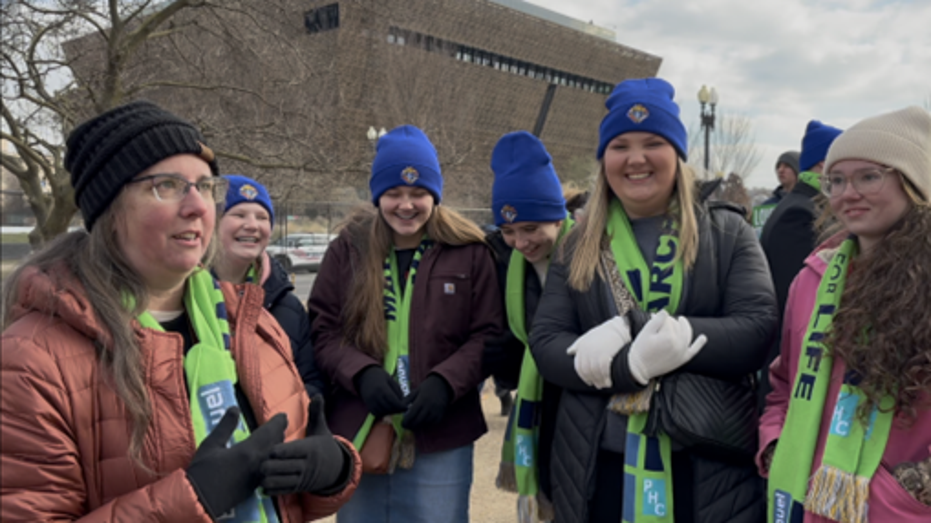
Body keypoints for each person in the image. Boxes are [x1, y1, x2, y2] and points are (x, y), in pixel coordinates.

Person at [0, 100, 360, 522]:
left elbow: (292, 499)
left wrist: (334, 469)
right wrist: (191, 500)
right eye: (167, 185)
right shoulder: (31, 360)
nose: (198, 206)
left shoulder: (250, 322)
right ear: (110, 210)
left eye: (206, 186)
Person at [529, 78, 777, 523]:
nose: (636, 158)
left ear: (677, 155)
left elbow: (756, 330)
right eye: (620, 145)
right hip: (596, 464)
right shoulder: (576, 244)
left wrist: (637, 328)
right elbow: (547, 344)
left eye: (653, 143)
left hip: (705, 466)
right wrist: (629, 368)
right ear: (604, 159)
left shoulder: (726, 232)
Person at [307, 125, 504, 523]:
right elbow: (324, 330)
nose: (406, 205)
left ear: (435, 194)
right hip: (364, 423)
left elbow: (489, 334)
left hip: (443, 431)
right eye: (394, 193)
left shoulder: (469, 251)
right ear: (378, 195)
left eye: (418, 193)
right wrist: (361, 374)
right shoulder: (349, 249)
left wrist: (445, 383)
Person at [759, 106, 931, 522]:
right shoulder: (812, 279)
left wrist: (910, 488)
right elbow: (783, 380)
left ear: (913, 184)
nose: (847, 193)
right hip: (803, 498)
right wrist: (777, 442)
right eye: (836, 180)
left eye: (869, 177)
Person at [485, 131, 573, 523]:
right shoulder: (505, 263)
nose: (520, 242)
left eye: (532, 229)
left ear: (558, 216)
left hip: (576, 407)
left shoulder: (588, 256)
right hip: (538, 402)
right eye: (509, 231)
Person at [214, 174, 326, 398]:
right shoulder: (181, 297)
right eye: (238, 214)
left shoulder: (288, 307)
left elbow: (311, 380)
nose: (252, 225)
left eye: (262, 217)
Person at [758, 120, 842, 405]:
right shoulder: (800, 214)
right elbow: (792, 303)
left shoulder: (805, 205)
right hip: (793, 373)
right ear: (823, 164)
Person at [753, 150, 801, 236]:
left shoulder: (808, 203)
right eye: (779, 167)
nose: (781, 170)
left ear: (797, 170)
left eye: (787, 166)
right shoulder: (766, 206)